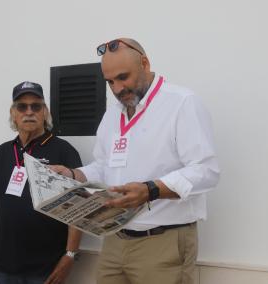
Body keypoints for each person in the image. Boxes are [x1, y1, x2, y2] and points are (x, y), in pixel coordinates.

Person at [54, 38, 220, 284]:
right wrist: (71, 174)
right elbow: (103, 166)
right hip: (114, 240)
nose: (118, 89)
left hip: (162, 242)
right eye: (110, 82)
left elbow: (206, 171)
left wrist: (150, 190)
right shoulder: (112, 114)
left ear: (145, 63)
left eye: (123, 77)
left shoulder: (181, 103)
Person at [0, 81, 82, 284]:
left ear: (44, 112)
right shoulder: (1, 153)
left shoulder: (63, 151)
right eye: (22, 106)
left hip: (46, 270)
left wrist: (70, 255)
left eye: (36, 106)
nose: (29, 112)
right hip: (4, 268)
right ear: (13, 113)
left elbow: (79, 207)